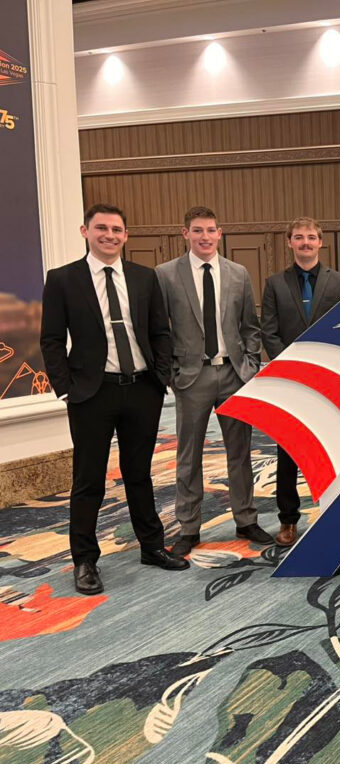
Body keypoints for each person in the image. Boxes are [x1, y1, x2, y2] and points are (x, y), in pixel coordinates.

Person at [40, 203, 189, 595]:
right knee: (88, 480)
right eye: (101, 228)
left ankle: (152, 546)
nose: (110, 235)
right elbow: (52, 340)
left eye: (117, 229)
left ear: (126, 235)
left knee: (139, 473)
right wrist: (66, 386)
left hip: (142, 388)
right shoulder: (62, 280)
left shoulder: (144, 278)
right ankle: (85, 560)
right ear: (85, 231)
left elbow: (160, 330)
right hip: (92, 392)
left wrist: (161, 375)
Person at [155, 206, 268, 557]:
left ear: (220, 233)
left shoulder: (238, 273)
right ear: (184, 233)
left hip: (234, 374)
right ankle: (189, 527)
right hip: (192, 377)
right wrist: (172, 372)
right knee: (189, 455)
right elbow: (159, 329)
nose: (205, 237)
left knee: (240, 452)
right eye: (197, 230)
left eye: (211, 230)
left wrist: (249, 364)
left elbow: (250, 324)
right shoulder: (166, 275)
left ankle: (246, 518)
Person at [261, 217, 340, 545]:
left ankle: (335, 514)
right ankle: (288, 521)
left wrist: (323, 366)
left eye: (311, 237)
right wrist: (292, 366)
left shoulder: (339, 282)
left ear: (320, 242)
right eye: (298, 237)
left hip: (328, 378)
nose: (305, 243)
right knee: (287, 451)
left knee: (332, 448)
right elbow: (267, 331)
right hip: (289, 380)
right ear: (289, 242)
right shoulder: (274, 283)